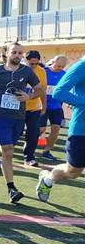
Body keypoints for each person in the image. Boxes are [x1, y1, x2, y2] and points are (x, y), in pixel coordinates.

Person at [0, 42, 45, 204]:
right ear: (7, 53)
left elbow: (40, 89)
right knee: (8, 150)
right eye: (14, 52)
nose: (17, 55)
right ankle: (11, 189)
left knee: (7, 148)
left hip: (18, 117)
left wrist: (29, 96)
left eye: (20, 53)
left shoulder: (26, 71)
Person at [37, 54, 85, 202]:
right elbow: (59, 92)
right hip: (81, 130)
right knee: (73, 172)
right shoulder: (82, 66)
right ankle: (48, 179)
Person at [20, 50, 48, 166]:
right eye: (32, 63)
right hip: (17, 108)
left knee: (33, 132)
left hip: (34, 108)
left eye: (37, 63)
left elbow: (43, 90)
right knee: (15, 133)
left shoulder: (41, 71)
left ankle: (29, 157)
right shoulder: (18, 69)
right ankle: (3, 154)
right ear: (26, 60)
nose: (34, 65)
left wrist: (44, 105)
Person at [41, 55, 68, 161]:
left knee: (56, 129)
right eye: (58, 65)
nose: (60, 68)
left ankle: (46, 151)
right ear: (53, 62)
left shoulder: (64, 74)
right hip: (42, 105)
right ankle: (29, 148)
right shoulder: (43, 71)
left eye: (62, 67)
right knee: (40, 130)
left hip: (56, 107)